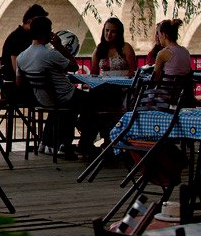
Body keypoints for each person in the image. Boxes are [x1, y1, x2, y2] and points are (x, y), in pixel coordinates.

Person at [16, 16, 98, 160]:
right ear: (46, 34)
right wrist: (59, 46)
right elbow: (74, 66)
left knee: (70, 108)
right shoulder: (50, 54)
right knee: (94, 102)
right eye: (50, 31)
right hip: (65, 96)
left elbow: (19, 82)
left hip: (43, 99)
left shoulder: (22, 57)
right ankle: (84, 143)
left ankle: (48, 142)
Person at [89, 17, 138, 142]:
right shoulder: (99, 50)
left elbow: (134, 72)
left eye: (113, 31)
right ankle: (97, 136)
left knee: (98, 100)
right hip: (104, 87)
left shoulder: (125, 48)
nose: (108, 34)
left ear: (119, 33)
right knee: (93, 99)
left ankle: (100, 138)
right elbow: (93, 75)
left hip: (123, 87)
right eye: (106, 30)